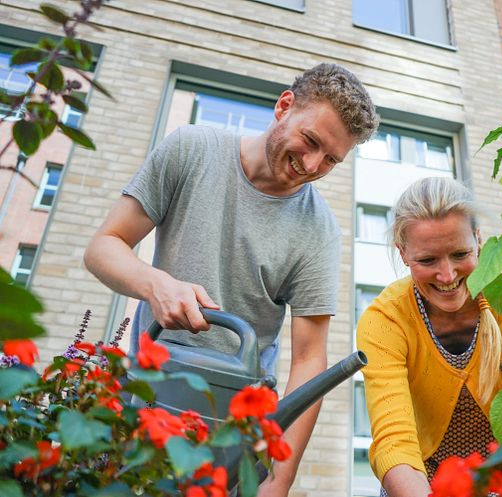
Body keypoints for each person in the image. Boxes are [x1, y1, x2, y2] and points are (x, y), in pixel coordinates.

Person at [84, 63, 379, 496]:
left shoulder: (318, 230)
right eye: (311, 141)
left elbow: (309, 360)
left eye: (332, 159)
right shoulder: (191, 149)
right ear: (284, 106)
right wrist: (155, 284)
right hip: (152, 395)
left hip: (235, 423)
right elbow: (103, 247)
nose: (313, 165)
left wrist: (277, 481)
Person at [356, 177, 502, 497]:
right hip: (421, 480)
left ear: (478, 240)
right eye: (427, 260)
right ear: (403, 254)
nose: (447, 276)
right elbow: (394, 441)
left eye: (460, 254)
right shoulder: (385, 320)